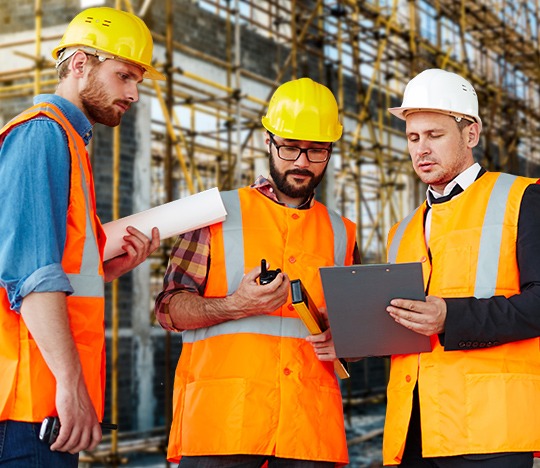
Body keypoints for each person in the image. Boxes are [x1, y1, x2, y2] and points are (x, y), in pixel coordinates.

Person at [155, 77, 359, 467]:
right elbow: (168, 308)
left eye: (316, 151)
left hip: (308, 428)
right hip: (223, 424)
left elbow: (354, 329)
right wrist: (235, 305)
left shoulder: (341, 231)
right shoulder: (217, 214)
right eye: (290, 148)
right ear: (268, 142)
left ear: (330, 151)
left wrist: (347, 338)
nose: (302, 162)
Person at [0, 7, 163, 466]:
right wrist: (70, 386)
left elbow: (49, 266)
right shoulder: (42, 135)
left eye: (137, 81)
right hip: (26, 409)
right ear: (79, 64)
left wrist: (104, 270)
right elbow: (31, 277)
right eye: (123, 76)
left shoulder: (68, 141)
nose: (132, 93)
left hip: (39, 408)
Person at [380, 68, 540, 467]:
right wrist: (352, 342)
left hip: (489, 430)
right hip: (413, 431)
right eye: (413, 138)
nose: (421, 150)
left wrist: (451, 316)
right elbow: (400, 324)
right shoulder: (401, 231)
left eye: (435, 135)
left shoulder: (523, 198)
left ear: (471, 134)